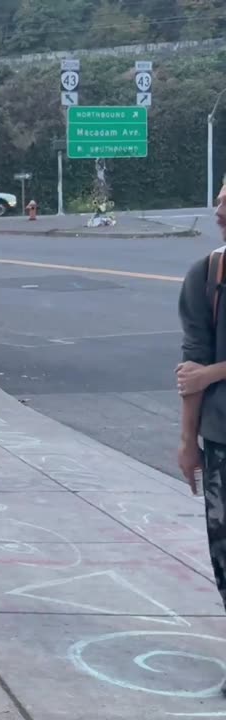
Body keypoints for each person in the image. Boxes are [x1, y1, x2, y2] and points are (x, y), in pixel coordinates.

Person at [176, 182, 226, 634]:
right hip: (221, 441)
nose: (219, 207)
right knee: (223, 555)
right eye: (221, 197)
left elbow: (201, 373)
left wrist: (212, 375)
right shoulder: (207, 275)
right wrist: (187, 441)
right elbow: (192, 360)